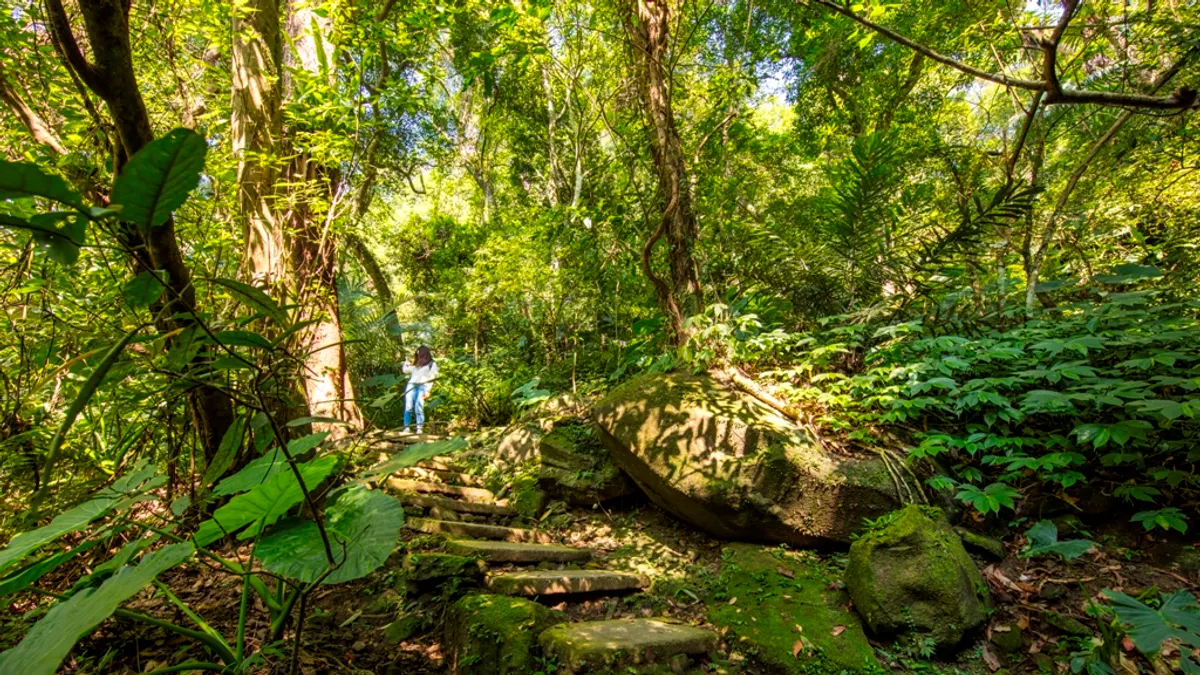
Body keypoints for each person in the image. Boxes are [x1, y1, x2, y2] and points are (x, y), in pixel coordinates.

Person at [401, 345, 438, 434]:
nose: (418, 355)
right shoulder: (416, 365)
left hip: (422, 386)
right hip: (411, 386)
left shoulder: (432, 364)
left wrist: (428, 390)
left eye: (419, 353)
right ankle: (406, 427)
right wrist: (406, 361)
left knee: (419, 407)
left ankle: (419, 428)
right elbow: (405, 370)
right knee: (408, 407)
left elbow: (433, 377)